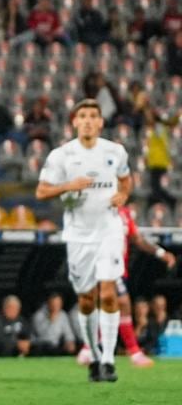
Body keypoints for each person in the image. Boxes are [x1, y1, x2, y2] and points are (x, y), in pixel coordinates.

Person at [36, 99, 132, 383]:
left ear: (101, 122)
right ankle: (92, 350)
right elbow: (41, 192)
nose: (88, 120)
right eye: (83, 116)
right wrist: (68, 186)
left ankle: (109, 360)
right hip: (79, 236)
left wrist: (123, 196)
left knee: (108, 292)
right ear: (74, 122)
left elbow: (126, 181)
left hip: (109, 230)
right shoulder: (61, 156)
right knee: (87, 301)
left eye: (93, 115)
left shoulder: (115, 152)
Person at [83, 205, 178, 368]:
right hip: (102, 264)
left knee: (110, 305)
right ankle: (133, 352)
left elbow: (137, 239)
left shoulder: (125, 213)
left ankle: (90, 349)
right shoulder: (98, 207)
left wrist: (160, 253)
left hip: (119, 268)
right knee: (121, 303)